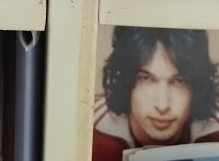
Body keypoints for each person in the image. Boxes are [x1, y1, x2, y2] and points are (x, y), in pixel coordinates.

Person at [93, 27, 219, 160]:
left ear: (197, 85)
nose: (162, 105)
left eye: (179, 81)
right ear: (124, 80)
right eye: (145, 78)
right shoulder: (88, 127)